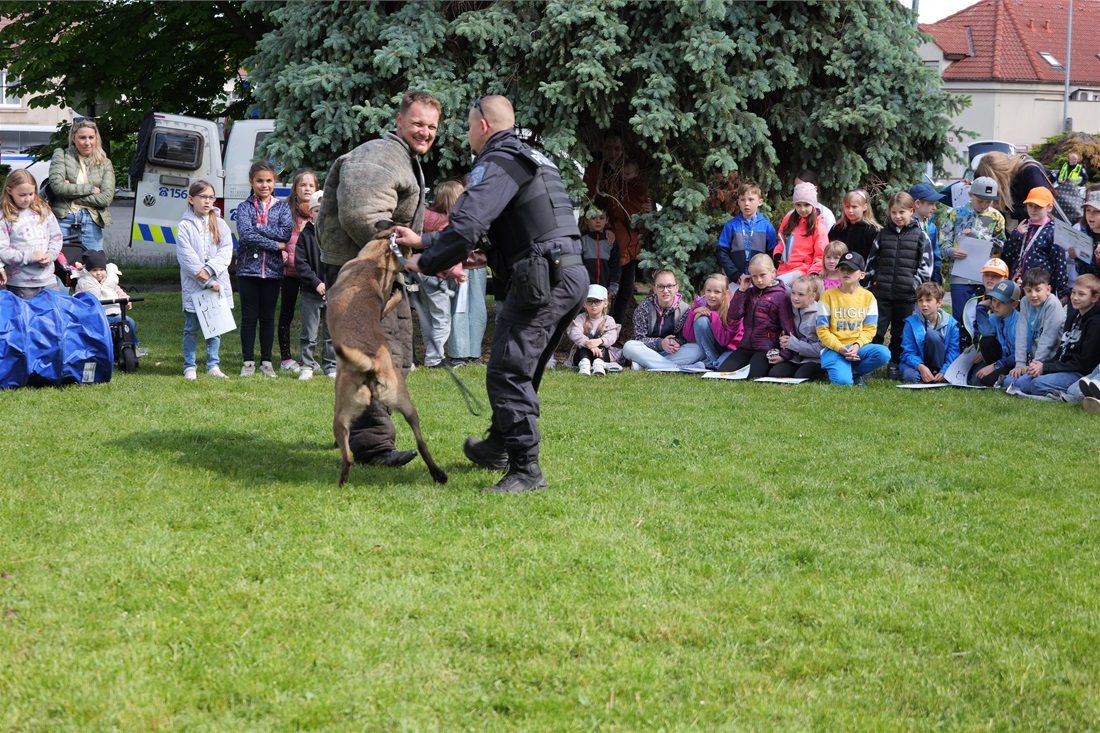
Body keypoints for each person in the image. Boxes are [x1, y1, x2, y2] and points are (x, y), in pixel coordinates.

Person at [396, 94, 587, 493]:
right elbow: (518, 226)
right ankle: (498, 445)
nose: (468, 135)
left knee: (508, 370)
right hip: (568, 272)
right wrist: (426, 240)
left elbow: (467, 226)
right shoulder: (533, 156)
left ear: (483, 125)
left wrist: (425, 261)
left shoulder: (498, 159)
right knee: (523, 368)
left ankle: (526, 470)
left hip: (541, 279)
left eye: (469, 127)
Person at [318, 89, 440, 469]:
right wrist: (409, 256)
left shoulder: (400, 158)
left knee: (393, 354)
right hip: (359, 276)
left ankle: (358, 432)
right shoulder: (379, 155)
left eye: (432, 126)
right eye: (418, 123)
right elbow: (363, 215)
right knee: (373, 358)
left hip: (378, 274)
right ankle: (373, 447)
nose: (425, 132)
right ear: (399, 120)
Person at [584, 134, 652, 324]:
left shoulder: (632, 171)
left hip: (634, 238)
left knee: (626, 291)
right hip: (615, 238)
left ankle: (617, 329)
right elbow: (590, 200)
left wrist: (649, 210)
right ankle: (603, 327)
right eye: (608, 148)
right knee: (610, 289)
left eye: (617, 149)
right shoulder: (597, 169)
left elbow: (641, 199)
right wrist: (605, 226)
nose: (612, 153)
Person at [866, 191, 934, 377]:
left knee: (900, 333)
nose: (897, 216)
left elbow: (926, 267)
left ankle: (895, 364)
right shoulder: (882, 235)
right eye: (894, 212)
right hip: (881, 293)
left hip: (906, 295)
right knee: (875, 330)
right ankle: (869, 363)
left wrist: (914, 285)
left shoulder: (921, 236)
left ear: (911, 211)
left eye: (902, 212)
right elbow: (871, 262)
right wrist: (870, 285)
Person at [235, 161, 292, 378]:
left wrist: (259, 227)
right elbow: (246, 235)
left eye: (268, 180)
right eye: (259, 181)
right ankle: (248, 361)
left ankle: (266, 361)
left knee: (268, 317)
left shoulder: (282, 208)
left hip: (273, 271)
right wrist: (275, 245)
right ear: (252, 182)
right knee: (249, 317)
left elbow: (285, 234)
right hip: (248, 271)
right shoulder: (244, 207)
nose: (264, 185)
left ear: (274, 182)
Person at [1005, 274, 1100, 398]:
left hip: (1079, 373)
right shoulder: (1074, 315)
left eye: (1081, 294)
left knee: (1036, 385)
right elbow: (1062, 352)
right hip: (1063, 368)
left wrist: (1046, 367)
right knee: (1024, 385)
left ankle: (1064, 397)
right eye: (1073, 292)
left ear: (1095, 298)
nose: (1075, 297)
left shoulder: (1095, 322)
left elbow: (1084, 364)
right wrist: (1038, 366)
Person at [176, 180, 233, 380]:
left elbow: (226, 251)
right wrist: (206, 280)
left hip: (217, 282)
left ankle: (213, 365)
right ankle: (189, 366)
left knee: (214, 328)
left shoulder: (220, 223)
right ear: (191, 199)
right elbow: (187, 257)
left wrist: (210, 270)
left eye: (211, 197)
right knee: (191, 328)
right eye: (203, 197)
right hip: (194, 285)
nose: (208, 201)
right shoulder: (184, 226)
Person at [816, 252, 891, 386]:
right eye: (843, 269)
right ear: (838, 272)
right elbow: (822, 330)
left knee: (883, 353)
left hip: (858, 348)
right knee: (843, 382)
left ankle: (855, 372)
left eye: (851, 270)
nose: (846, 272)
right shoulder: (827, 297)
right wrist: (840, 348)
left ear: (861, 275)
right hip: (835, 349)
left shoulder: (868, 297)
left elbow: (870, 329)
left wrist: (857, 345)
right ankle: (842, 370)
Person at [716, 253, 795, 378]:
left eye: (762, 275)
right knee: (722, 373)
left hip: (766, 349)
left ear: (773, 273)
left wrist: (785, 355)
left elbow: (789, 328)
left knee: (753, 376)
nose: (759, 280)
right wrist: (742, 290)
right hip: (745, 347)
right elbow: (734, 315)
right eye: (754, 276)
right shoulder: (748, 293)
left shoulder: (781, 297)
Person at [942, 175, 1007, 325]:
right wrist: (951, 251)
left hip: (985, 276)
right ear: (971, 194)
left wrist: (979, 235)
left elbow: (1001, 245)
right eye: (980, 200)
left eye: (988, 201)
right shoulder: (955, 213)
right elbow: (944, 241)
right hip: (959, 274)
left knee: (982, 316)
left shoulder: (996, 217)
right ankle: (961, 340)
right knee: (960, 317)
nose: (984, 205)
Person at [414, 180, 464, 369]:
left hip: (421, 273)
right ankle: (434, 359)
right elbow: (447, 254)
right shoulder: (448, 224)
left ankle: (431, 356)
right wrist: (457, 272)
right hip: (437, 276)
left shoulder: (424, 217)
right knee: (442, 319)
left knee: (427, 318)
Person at [48, 118, 114, 252]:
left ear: (96, 138)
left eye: (91, 137)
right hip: (63, 219)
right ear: (73, 138)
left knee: (93, 262)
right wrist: (90, 188)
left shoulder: (105, 162)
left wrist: (70, 194)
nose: (87, 143)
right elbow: (58, 187)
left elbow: (106, 198)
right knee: (62, 263)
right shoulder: (61, 155)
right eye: (82, 137)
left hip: (91, 220)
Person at [278, 168, 319, 373]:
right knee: (286, 314)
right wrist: (286, 259)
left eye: (311, 185)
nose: (307, 189)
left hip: (311, 276)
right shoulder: (286, 211)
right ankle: (286, 357)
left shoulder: (318, 213)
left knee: (311, 318)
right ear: (295, 188)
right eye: (303, 185)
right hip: (291, 273)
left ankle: (309, 358)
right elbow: (279, 240)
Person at [620, 269, 702, 370]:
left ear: (676, 288)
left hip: (670, 353)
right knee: (629, 346)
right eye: (660, 286)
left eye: (669, 286)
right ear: (654, 289)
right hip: (646, 351)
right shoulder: (644, 308)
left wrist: (674, 343)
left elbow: (683, 338)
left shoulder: (685, 310)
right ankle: (674, 367)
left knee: (697, 349)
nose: (665, 291)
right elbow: (639, 338)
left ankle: (644, 364)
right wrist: (660, 343)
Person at [0, 170, 62, 300]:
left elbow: (56, 237)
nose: (27, 198)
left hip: (48, 279)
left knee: (55, 310)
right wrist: (30, 257)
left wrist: (51, 255)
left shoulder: (43, 210)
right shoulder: (4, 216)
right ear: (9, 190)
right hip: (21, 283)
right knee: (27, 312)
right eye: (22, 195)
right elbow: (3, 250)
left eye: (31, 194)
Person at [294, 190, 336, 381]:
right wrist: (316, 282)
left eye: (325, 210)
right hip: (311, 292)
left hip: (333, 292)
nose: (321, 213)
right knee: (309, 333)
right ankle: (307, 365)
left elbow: (340, 262)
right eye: (317, 210)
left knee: (331, 333)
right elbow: (300, 263)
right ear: (311, 212)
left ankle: (330, 366)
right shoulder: (305, 235)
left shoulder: (336, 236)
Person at [1001, 186, 1070, 301]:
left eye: (1038, 207)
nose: (1033, 210)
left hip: (1040, 288)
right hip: (1019, 284)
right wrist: (1016, 235)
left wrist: (1063, 292)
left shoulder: (1054, 231)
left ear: (1049, 207)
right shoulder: (1023, 227)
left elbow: (1059, 264)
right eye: (1030, 205)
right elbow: (1008, 255)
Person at [1007, 268, 1066, 387]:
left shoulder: (1053, 304)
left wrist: (1035, 364)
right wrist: (1020, 364)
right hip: (1031, 361)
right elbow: (1021, 333)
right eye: (1028, 291)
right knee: (1009, 381)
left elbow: (1048, 339)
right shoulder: (1025, 301)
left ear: (1048, 289)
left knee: (1022, 384)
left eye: (1038, 290)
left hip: (1048, 362)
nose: (1033, 295)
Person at [73, 249, 141, 349]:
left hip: (115, 315)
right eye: (94, 270)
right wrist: (78, 302)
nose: (99, 273)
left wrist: (127, 299)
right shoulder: (83, 284)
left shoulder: (110, 281)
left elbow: (120, 292)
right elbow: (78, 296)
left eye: (101, 270)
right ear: (88, 271)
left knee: (129, 322)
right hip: (96, 318)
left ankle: (133, 345)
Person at [898, 282, 960, 384]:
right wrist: (920, 366)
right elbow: (908, 352)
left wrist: (945, 370)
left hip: (941, 364)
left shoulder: (951, 323)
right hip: (919, 364)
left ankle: (937, 373)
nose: (924, 304)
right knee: (910, 377)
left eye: (928, 300)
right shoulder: (910, 323)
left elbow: (954, 351)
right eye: (920, 300)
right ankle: (929, 376)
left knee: (932, 335)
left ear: (939, 302)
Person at [715, 180, 777, 282]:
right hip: (737, 280)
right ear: (738, 202)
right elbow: (722, 252)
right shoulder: (731, 226)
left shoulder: (767, 227)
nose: (746, 203)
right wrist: (734, 274)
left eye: (751, 199)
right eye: (743, 200)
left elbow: (772, 253)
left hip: (759, 280)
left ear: (760, 202)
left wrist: (765, 275)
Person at [975, 151, 1053, 226]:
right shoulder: (1013, 173)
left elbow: (1043, 212)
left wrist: (1006, 208)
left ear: (1000, 175)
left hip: (1032, 231)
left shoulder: (1030, 172)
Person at [768, 274, 823, 380]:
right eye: (793, 293)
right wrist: (782, 339)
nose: (795, 298)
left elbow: (821, 349)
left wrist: (793, 344)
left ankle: (823, 373)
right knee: (775, 373)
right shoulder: (789, 310)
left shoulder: (820, 315)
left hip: (815, 360)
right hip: (795, 358)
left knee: (800, 376)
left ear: (812, 296)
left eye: (801, 294)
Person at [683, 273, 742, 371]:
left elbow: (724, 341)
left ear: (726, 294)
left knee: (721, 365)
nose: (711, 295)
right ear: (704, 291)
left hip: (731, 349)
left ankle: (712, 363)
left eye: (717, 292)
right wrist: (694, 313)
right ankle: (711, 360)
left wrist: (712, 315)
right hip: (713, 348)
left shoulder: (733, 310)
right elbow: (689, 337)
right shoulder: (702, 304)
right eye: (708, 291)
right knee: (701, 320)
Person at [969, 280, 1021, 387]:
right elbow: (985, 332)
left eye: (1001, 302)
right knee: (975, 380)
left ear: (1014, 304)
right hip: (1000, 360)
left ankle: (1004, 377)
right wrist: (981, 307)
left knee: (987, 380)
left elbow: (1019, 355)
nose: (995, 306)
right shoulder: (995, 317)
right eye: (993, 300)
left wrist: (995, 366)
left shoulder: (1019, 322)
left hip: (1016, 363)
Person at [776, 182, 827, 285]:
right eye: (798, 205)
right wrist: (777, 253)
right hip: (784, 268)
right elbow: (781, 240)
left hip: (803, 271)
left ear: (813, 205)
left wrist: (814, 272)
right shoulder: (788, 220)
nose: (802, 209)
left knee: (779, 285)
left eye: (806, 205)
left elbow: (821, 254)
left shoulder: (818, 227)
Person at [566, 284, 621, 376]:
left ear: (605, 303)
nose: (593, 304)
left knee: (599, 336)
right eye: (589, 301)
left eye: (597, 301)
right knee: (587, 336)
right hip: (581, 355)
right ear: (584, 304)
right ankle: (584, 365)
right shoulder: (580, 318)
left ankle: (599, 365)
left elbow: (612, 336)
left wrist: (599, 341)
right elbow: (575, 333)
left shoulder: (609, 320)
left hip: (603, 355)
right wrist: (589, 344)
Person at [828, 189, 880, 263]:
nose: (850, 210)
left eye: (854, 207)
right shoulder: (837, 229)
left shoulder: (873, 231)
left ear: (865, 207)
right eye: (847, 207)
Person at [579, 205, 620, 295]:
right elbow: (578, 266)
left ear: (607, 220)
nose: (598, 221)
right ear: (586, 220)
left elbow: (615, 266)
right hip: (585, 289)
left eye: (601, 218)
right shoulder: (581, 241)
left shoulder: (611, 242)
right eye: (593, 218)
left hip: (605, 289)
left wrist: (613, 287)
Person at [909, 183, 946, 285]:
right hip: (908, 280)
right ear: (917, 203)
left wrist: (936, 282)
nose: (934, 208)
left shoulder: (932, 227)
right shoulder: (906, 225)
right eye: (931, 203)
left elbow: (935, 255)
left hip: (927, 282)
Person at [1072, 187, 1100, 278]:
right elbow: (1082, 271)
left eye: (1097, 211)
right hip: (1090, 284)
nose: (1091, 215)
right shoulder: (1083, 234)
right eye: (1088, 210)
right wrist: (1076, 257)